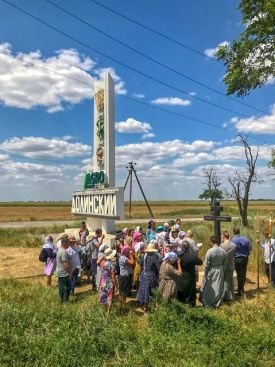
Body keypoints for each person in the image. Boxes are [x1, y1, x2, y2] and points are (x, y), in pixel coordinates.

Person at [200, 236, 226, 308]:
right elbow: (224, 261)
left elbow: (207, 264)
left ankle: (208, 301)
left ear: (211, 242)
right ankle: (217, 302)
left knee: (209, 286)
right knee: (218, 286)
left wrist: (206, 273)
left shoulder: (210, 251)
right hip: (220, 269)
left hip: (212, 269)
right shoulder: (223, 251)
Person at [178, 240, 203, 306]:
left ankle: (183, 304)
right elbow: (200, 262)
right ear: (189, 247)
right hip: (191, 276)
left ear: (182, 247)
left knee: (183, 291)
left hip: (182, 277)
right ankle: (191, 305)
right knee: (191, 292)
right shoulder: (192, 256)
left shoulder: (180, 256)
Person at [137, 242, 160, 312]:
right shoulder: (154, 257)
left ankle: (144, 306)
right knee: (150, 291)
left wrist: (140, 274)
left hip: (144, 275)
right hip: (151, 276)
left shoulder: (143, 256)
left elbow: (141, 265)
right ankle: (152, 307)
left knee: (144, 290)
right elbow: (158, 268)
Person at [231, 228, 252, 296]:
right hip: (245, 259)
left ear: (234, 232)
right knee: (243, 274)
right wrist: (246, 253)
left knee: (239, 275)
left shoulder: (233, 240)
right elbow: (250, 249)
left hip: (237, 259)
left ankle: (241, 291)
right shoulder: (245, 239)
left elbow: (231, 251)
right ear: (239, 232)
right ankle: (241, 290)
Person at [97, 247, 117, 314]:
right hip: (109, 283)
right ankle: (108, 314)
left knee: (104, 297)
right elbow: (113, 276)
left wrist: (103, 256)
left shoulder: (102, 263)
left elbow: (98, 262)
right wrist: (117, 286)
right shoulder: (112, 265)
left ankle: (105, 312)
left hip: (102, 282)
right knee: (109, 298)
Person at [220, 231, 236, 301]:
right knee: (230, 280)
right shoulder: (234, 245)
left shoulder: (221, 246)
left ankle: (226, 296)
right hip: (231, 265)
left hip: (223, 265)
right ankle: (231, 295)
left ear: (223, 237)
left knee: (224, 281)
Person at [119, 246, 135, 311]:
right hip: (124, 277)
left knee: (123, 291)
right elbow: (133, 263)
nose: (129, 251)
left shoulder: (123, 257)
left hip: (123, 276)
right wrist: (131, 255)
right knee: (123, 292)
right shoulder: (124, 258)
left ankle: (122, 305)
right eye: (128, 250)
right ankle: (123, 305)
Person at [56, 235, 72, 303]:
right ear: (64, 243)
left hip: (60, 271)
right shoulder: (64, 252)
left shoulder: (59, 249)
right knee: (66, 287)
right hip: (64, 272)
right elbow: (65, 264)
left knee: (61, 287)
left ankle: (61, 299)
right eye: (68, 243)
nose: (69, 244)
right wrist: (70, 273)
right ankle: (65, 301)